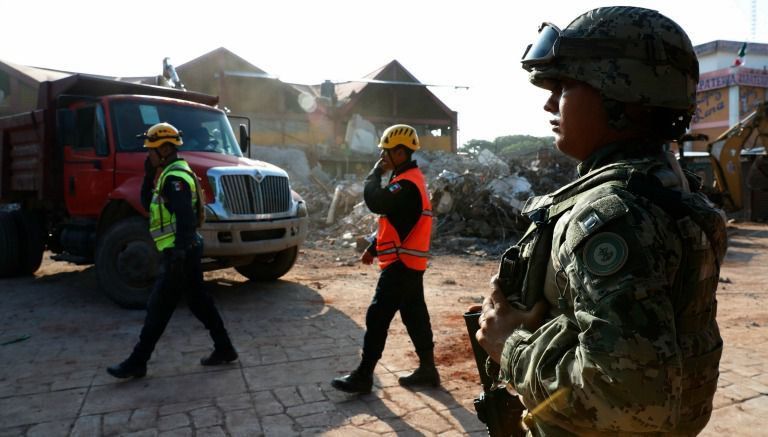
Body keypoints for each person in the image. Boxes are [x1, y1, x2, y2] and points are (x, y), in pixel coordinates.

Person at [473, 7, 727, 435]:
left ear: (618, 99)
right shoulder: (669, 189)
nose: (550, 101)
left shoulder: (612, 217)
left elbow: (627, 399)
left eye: (565, 85)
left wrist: (508, 346)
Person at [107, 122, 238, 378]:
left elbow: (186, 217)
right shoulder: (171, 173)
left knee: (159, 307)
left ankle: (138, 360)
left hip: (180, 253)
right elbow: (148, 205)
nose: (148, 155)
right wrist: (147, 177)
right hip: (185, 250)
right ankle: (224, 347)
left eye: (151, 150)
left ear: (165, 149)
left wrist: (179, 251)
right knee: (200, 303)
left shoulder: (174, 178)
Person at [331, 124, 439, 393]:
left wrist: (374, 174)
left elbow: (376, 202)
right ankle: (428, 370)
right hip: (409, 263)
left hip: (401, 264)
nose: (382, 157)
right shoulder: (407, 181)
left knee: (378, 316)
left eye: (386, 152)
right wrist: (373, 246)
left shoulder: (406, 184)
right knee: (414, 315)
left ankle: (364, 375)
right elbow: (396, 223)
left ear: (401, 152)